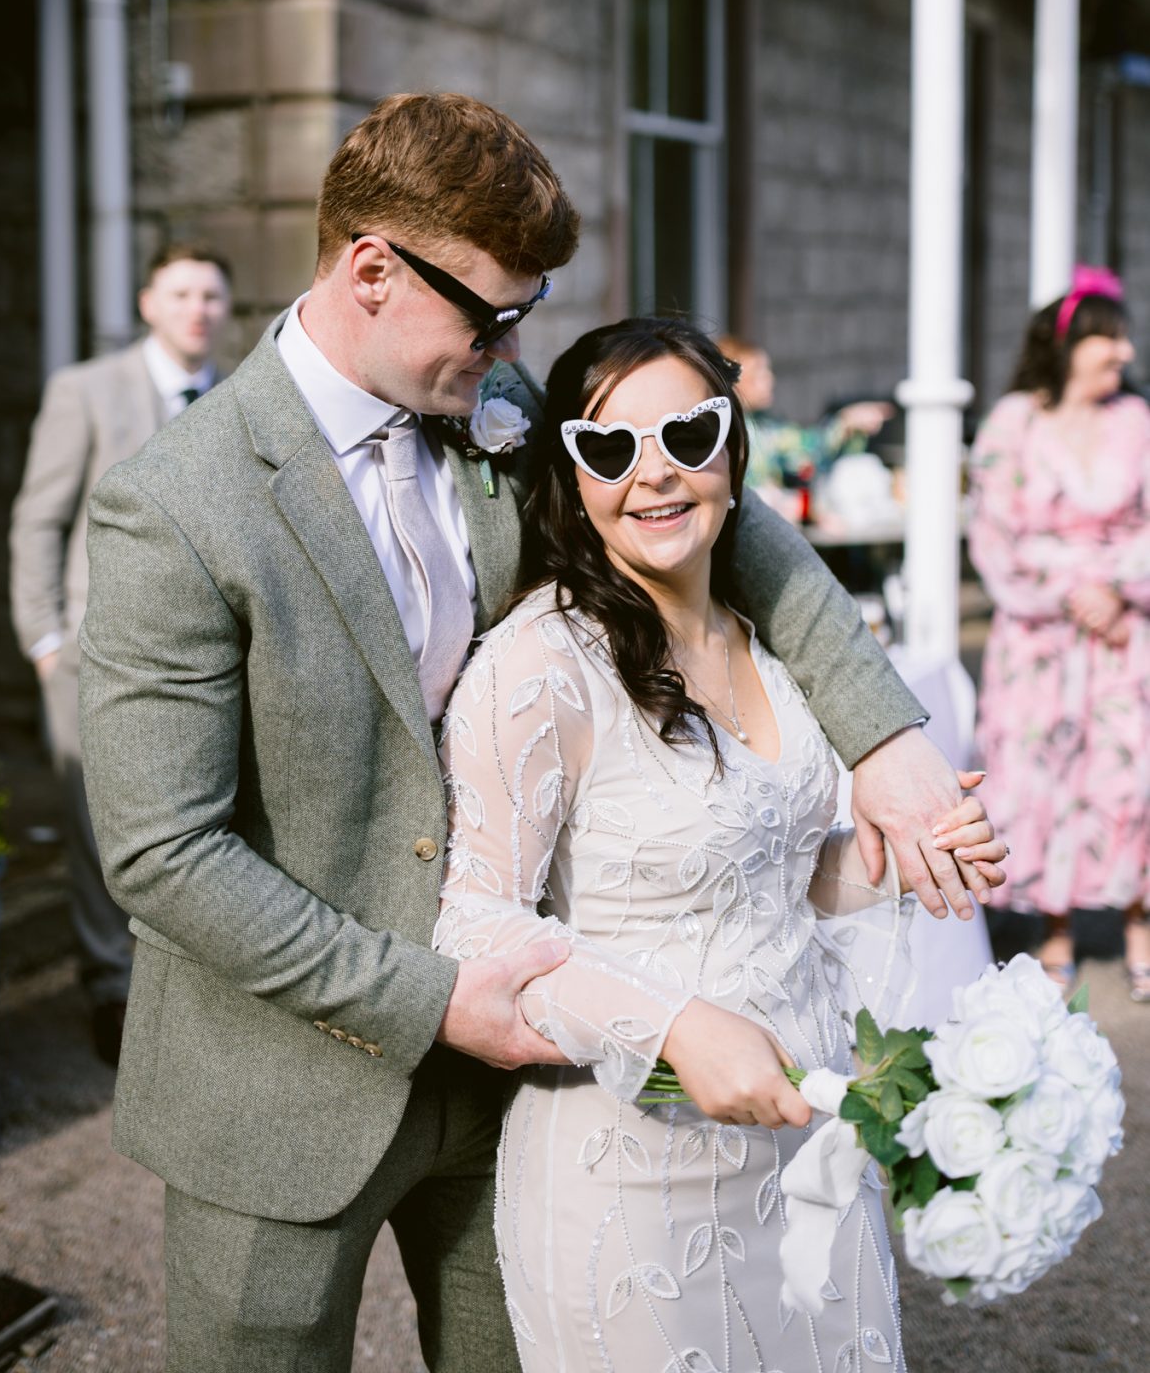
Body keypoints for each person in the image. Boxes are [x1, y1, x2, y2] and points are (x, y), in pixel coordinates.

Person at [78, 93, 1001, 1373]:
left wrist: (885, 740)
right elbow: (163, 854)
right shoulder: (172, 506)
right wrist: (435, 995)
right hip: (282, 1088)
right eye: (494, 312)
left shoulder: (490, 407)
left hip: (528, 1082)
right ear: (372, 271)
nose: (514, 344)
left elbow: (717, 507)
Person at [434, 317, 1003, 1371]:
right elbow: (474, 924)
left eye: (687, 437)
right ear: (571, 478)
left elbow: (769, 874)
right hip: (632, 1165)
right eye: (610, 449)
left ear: (735, 455)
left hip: (803, 1139)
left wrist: (890, 852)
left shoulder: (764, 636)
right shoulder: (537, 668)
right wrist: (675, 1027)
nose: (654, 474)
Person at [10, 240, 232, 1061]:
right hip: (87, 650)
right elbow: (39, 517)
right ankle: (110, 988)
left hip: (205, 657)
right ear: (148, 304)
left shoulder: (237, 396)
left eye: (210, 297)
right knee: (94, 825)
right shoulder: (87, 391)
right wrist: (43, 639)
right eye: (180, 295)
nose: (196, 310)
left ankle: (187, 990)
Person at [969, 265, 1150, 996]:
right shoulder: (1012, 422)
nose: (1123, 354)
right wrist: (1066, 591)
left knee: (1129, 774)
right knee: (1039, 775)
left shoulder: (1135, 423)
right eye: (1107, 340)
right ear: (1066, 344)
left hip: (1122, 634)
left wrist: (1116, 588)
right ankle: (1052, 927)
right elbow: (991, 532)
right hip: (1036, 642)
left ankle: (1138, 922)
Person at [718, 333, 894, 514]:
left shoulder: (766, 425)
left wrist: (845, 424)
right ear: (734, 380)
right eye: (759, 372)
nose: (770, 379)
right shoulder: (726, 431)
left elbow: (806, 449)